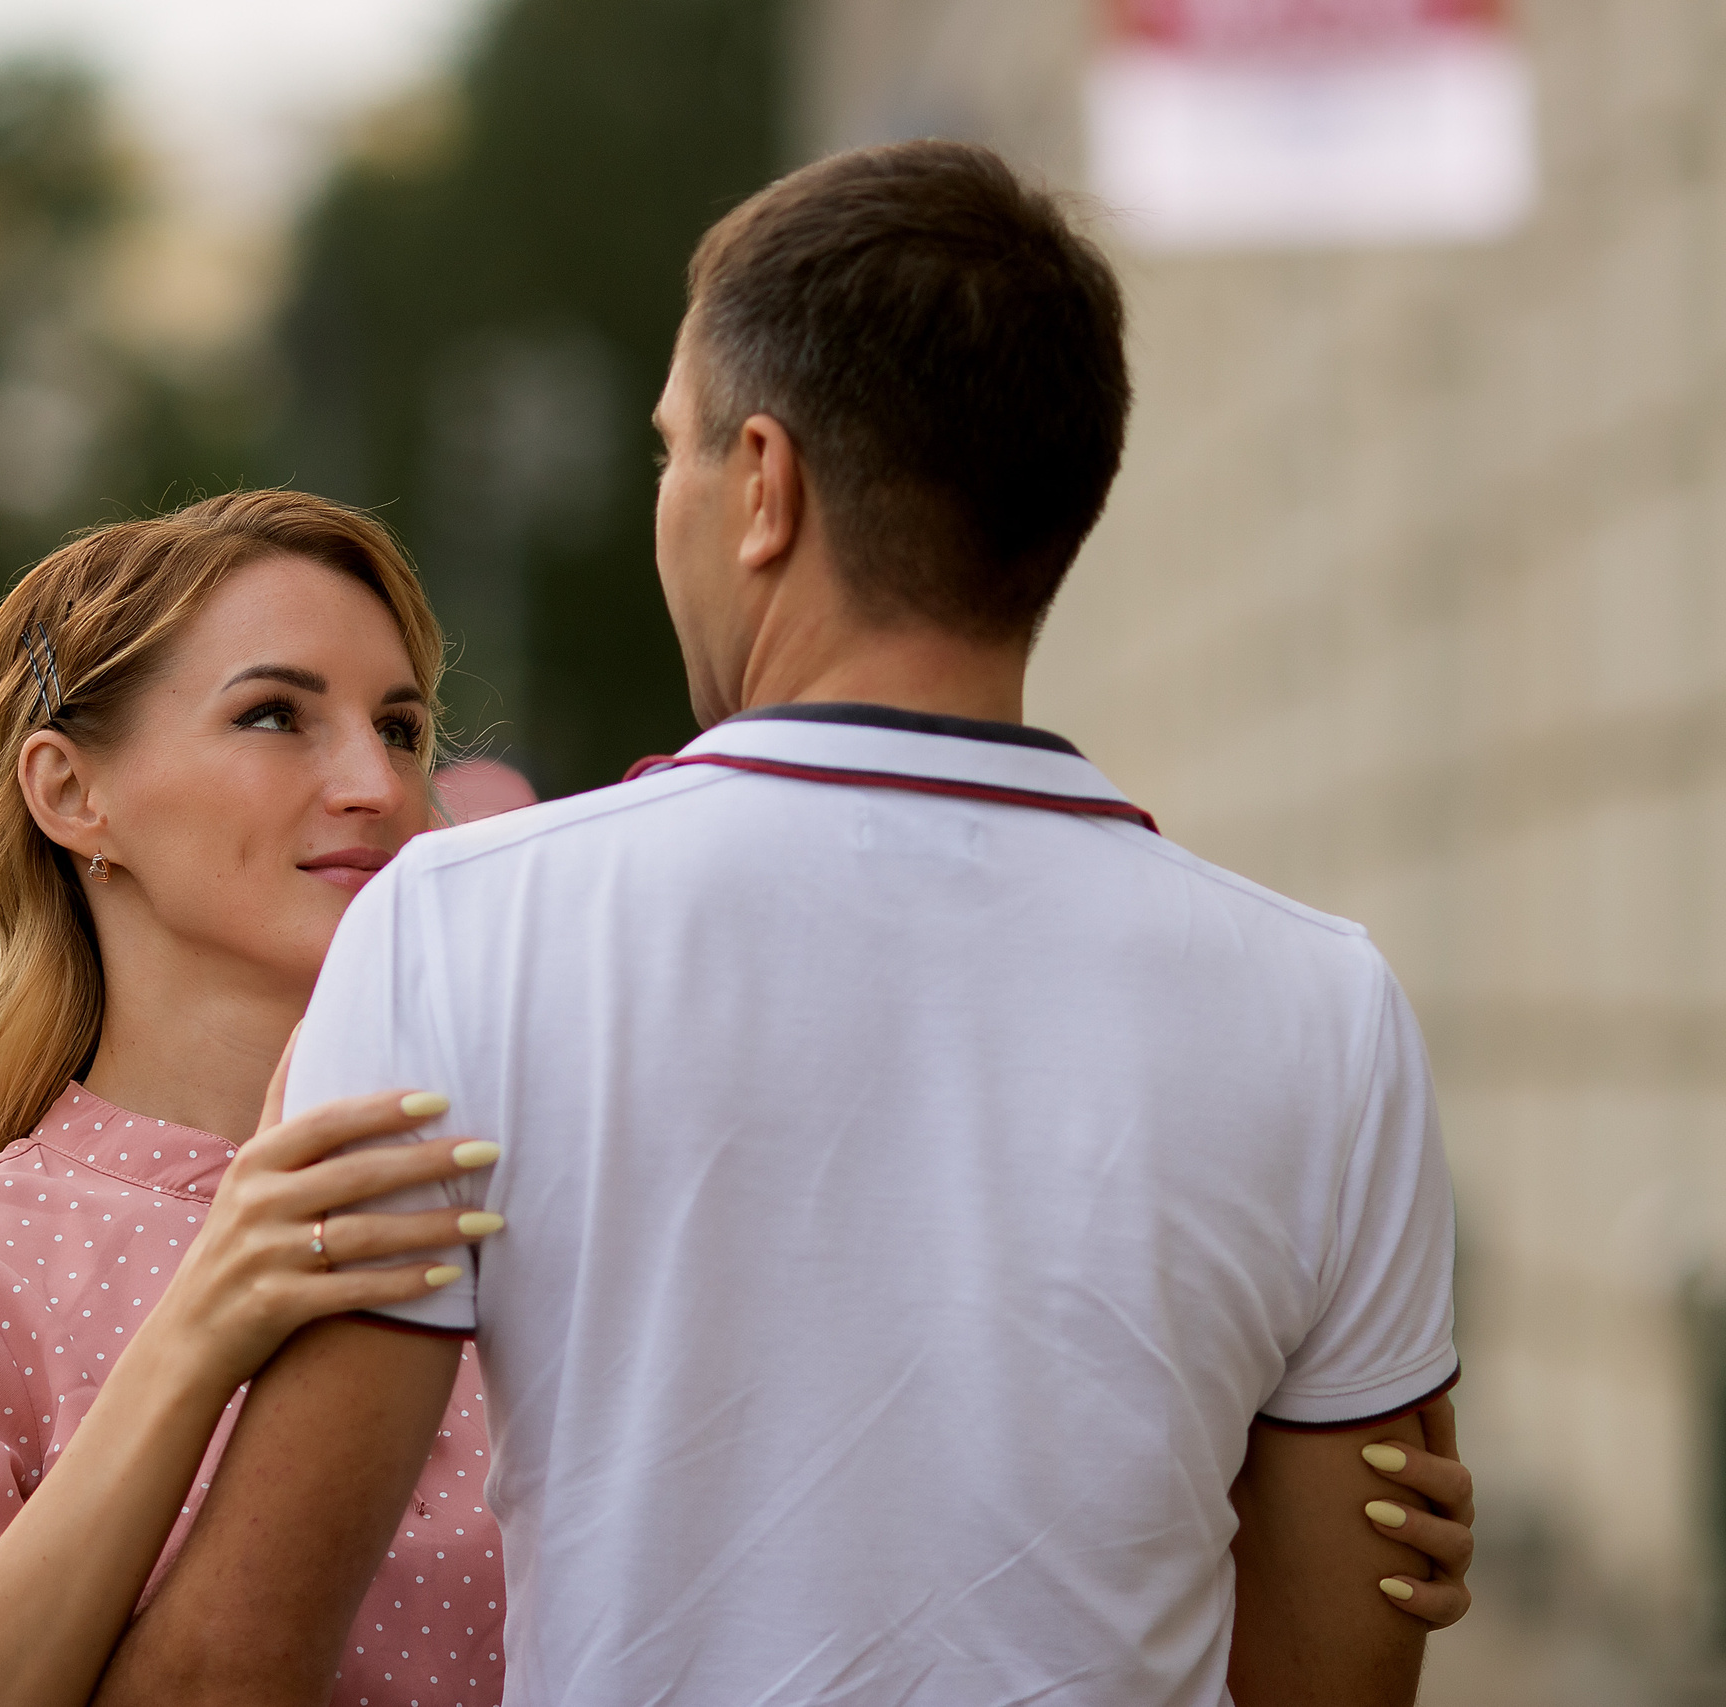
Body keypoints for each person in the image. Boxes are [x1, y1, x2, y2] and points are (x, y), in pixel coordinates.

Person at [94, 143, 1476, 1707]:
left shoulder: (459, 929)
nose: (664, 503)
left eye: (671, 449)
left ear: (765, 485)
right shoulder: (1326, 1003)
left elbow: (232, 1667)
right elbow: (1340, 1661)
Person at [0, 491, 515, 1707]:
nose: (377, 785)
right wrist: (199, 1324)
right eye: (274, 714)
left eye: (399, 728)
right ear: (73, 794)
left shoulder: (519, 1189)